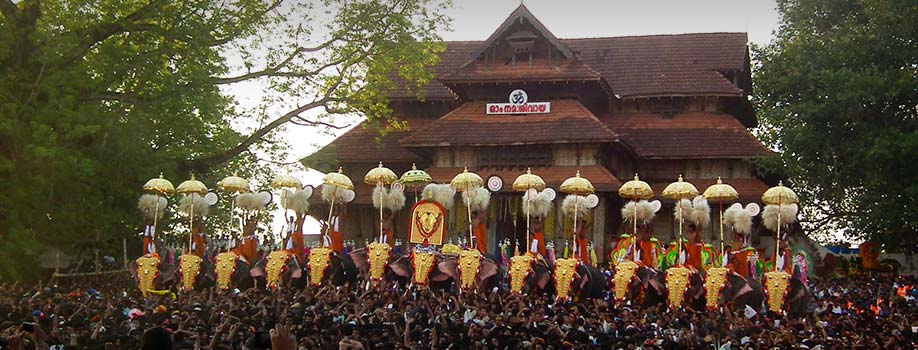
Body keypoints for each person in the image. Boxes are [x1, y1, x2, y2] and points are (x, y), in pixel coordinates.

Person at [662, 196, 715, 271]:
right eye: (688, 232)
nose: (688, 235)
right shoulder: (676, 250)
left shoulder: (708, 252)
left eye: (692, 232)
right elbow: (667, 267)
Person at [611, 200, 663, 268]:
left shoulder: (652, 245)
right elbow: (619, 262)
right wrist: (631, 263)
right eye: (638, 227)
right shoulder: (625, 243)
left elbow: (656, 266)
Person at [722, 203, 763, 280]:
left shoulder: (751, 252)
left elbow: (755, 275)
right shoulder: (727, 250)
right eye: (734, 233)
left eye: (739, 235)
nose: (736, 237)